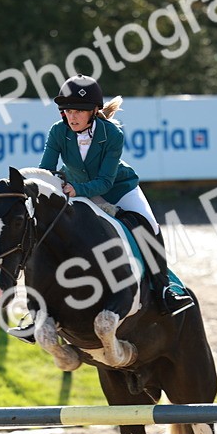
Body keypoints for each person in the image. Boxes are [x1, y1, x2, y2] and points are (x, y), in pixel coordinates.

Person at [40, 74, 192, 314]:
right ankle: (39, 303)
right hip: (77, 188)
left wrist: (77, 189)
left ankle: (163, 287)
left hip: (118, 189)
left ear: (93, 111)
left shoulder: (111, 134)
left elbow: (104, 181)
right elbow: (46, 169)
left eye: (78, 111)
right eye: (68, 110)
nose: (72, 117)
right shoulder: (58, 131)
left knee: (149, 226)